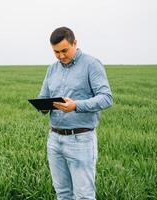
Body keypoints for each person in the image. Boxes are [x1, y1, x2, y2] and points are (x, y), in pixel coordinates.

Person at [38, 27, 113, 200]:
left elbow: (106, 98)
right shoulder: (52, 69)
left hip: (81, 140)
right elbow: (43, 96)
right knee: (62, 194)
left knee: (84, 196)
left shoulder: (91, 64)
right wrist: (42, 106)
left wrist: (76, 105)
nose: (61, 56)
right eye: (56, 52)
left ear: (75, 43)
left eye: (64, 50)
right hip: (54, 139)